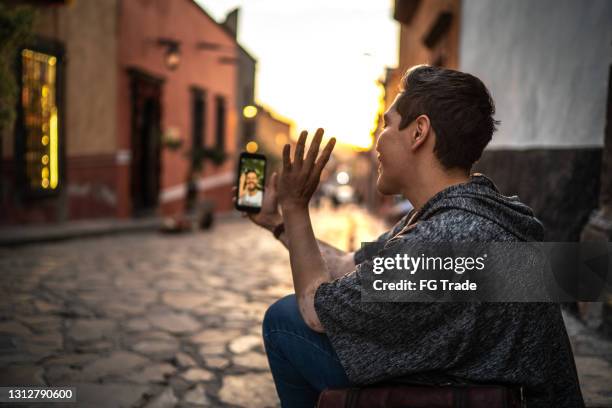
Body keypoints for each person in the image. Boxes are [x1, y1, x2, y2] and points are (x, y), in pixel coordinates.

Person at [238, 65, 584, 407]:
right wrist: (277, 223)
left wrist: (296, 206)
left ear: (419, 132)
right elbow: (344, 265)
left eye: (386, 125)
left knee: (284, 321)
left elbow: (314, 309)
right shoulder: (465, 210)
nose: (377, 141)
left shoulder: (447, 239)